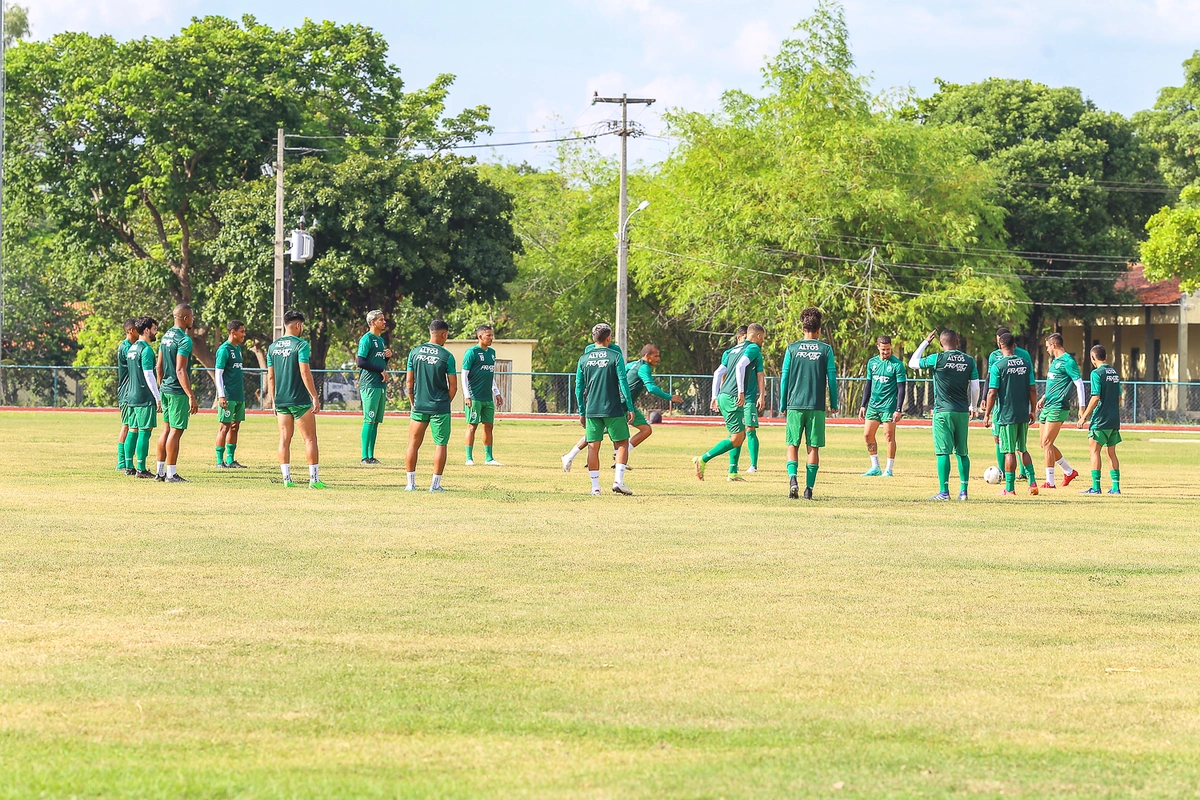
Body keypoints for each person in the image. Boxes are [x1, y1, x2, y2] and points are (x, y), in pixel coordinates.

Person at [910, 329, 979, 501]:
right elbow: (976, 387)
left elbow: (913, 363)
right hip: (962, 412)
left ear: (941, 343)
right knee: (962, 452)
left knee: (943, 452)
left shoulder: (937, 358)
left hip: (943, 412)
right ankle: (963, 491)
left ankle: (944, 492)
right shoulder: (969, 360)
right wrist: (974, 406)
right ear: (958, 342)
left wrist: (925, 342)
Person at [694, 324, 766, 483]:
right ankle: (703, 459)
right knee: (736, 438)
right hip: (734, 397)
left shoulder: (732, 351)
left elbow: (718, 372)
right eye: (764, 338)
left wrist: (714, 396)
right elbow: (741, 366)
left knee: (738, 434)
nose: (763, 341)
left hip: (724, 396)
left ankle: (732, 472)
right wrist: (741, 391)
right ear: (758, 336)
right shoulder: (753, 348)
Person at [779, 310, 837, 500]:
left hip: (794, 404)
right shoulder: (826, 350)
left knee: (792, 445)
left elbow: (784, 378)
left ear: (803, 328)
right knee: (813, 448)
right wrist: (834, 402)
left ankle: (793, 479)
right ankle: (808, 489)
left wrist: (782, 403)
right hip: (816, 405)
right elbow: (832, 379)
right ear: (819, 330)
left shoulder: (792, 349)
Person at [575, 323, 636, 495]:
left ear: (593, 338)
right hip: (613, 407)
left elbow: (579, 388)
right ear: (608, 338)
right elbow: (623, 382)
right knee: (623, 443)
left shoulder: (583, 359)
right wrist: (630, 406)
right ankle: (618, 481)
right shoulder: (615, 355)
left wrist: (581, 411)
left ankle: (595, 488)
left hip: (592, 409)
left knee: (593, 447)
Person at [267, 310, 325, 488]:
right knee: (310, 439)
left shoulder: (272, 347)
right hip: (299, 399)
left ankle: (287, 480)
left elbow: (270, 377)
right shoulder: (301, 345)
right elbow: (304, 371)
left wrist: (273, 401)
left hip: (282, 400)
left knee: (284, 439)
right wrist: (314, 396)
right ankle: (314, 480)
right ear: (298, 325)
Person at [983, 332, 1039, 496]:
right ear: (1014, 345)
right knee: (1023, 449)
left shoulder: (998, 366)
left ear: (1000, 345)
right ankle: (1033, 483)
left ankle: (1010, 488)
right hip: (1023, 413)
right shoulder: (1026, 364)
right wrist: (1033, 410)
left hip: (1007, 415)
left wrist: (987, 414)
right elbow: (1033, 389)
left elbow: (992, 392)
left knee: (1009, 451)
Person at [405, 319, 458, 491]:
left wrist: (414, 402)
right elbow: (453, 386)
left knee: (413, 443)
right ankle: (435, 486)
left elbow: (409, 382)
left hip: (419, 405)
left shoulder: (415, 352)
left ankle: (410, 484)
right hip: (439, 407)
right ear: (444, 334)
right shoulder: (447, 356)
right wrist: (443, 403)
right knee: (440, 444)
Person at [561, 339, 624, 472]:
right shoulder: (614, 352)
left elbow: (580, 384)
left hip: (594, 402)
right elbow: (621, 379)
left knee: (596, 437)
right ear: (608, 336)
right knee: (615, 437)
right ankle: (618, 464)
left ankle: (572, 457)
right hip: (611, 402)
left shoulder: (592, 352)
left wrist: (582, 410)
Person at [154, 304, 198, 483]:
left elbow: (159, 366)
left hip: (165, 388)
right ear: (185, 318)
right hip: (177, 391)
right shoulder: (184, 340)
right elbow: (181, 370)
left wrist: (161, 386)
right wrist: (190, 395)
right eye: (192, 317)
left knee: (166, 429)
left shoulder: (165, 336)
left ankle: (160, 471)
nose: (193, 320)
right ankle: (171, 474)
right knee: (176, 431)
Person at [1035, 332, 1084, 488]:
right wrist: (1044, 397)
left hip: (1058, 407)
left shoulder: (1068, 361)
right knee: (1044, 444)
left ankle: (1050, 482)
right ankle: (1069, 472)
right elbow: (1055, 384)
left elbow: (1079, 384)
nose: (1047, 349)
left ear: (1054, 345)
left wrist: (1082, 408)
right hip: (1048, 405)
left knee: (1048, 443)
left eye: (1048, 346)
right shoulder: (1055, 361)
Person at [859, 335, 907, 477]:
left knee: (888, 436)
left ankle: (889, 469)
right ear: (878, 347)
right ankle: (875, 467)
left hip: (889, 407)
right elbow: (868, 385)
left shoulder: (897, 365)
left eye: (888, 349)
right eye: (883, 350)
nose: (885, 352)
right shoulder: (872, 363)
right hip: (873, 406)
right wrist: (863, 405)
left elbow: (901, 388)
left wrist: (898, 409)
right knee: (867, 435)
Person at [1077, 344, 1122, 495]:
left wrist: (1084, 417)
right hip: (1114, 419)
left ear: (1092, 358)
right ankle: (1115, 488)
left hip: (1101, 420)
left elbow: (1096, 396)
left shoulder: (1097, 373)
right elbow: (1119, 398)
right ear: (1106, 356)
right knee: (1111, 453)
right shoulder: (1114, 373)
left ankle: (1096, 487)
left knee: (1094, 451)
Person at [624, 344, 683, 457]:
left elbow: (620, 373)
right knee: (599, 433)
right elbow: (651, 388)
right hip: (622, 405)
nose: (658, 359)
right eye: (656, 356)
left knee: (646, 430)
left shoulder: (633, 364)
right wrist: (670, 397)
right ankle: (618, 458)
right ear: (647, 356)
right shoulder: (644, 367)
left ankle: (621, 455)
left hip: (627, 404)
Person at [124, 317, 161, 478]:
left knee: (133, 430)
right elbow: (148, 375)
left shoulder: (131, 348)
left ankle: (128, 466)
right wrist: (157, 397)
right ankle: (141, 468)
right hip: (143, 396)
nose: (156, 332)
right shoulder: (146, 350)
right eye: (154, 329)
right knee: (145, 432)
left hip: (130, 396)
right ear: (146, 330)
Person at [462, 324, 505, 466]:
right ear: (480, 336)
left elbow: (490, 374)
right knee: (472, 426)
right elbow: (464, 375)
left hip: (488, 398)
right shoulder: (472, 353)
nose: (491, 338)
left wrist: (497, 392)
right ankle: (469, 458)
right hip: (474, 397)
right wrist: (467, 395)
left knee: (488, 426)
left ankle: (489, 458)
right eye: (488, 335)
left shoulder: (492, 353)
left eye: (492, 335)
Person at [357, 310, 392, 465]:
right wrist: (380, 370)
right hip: (369, 384)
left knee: (375, 421)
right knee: (369, 419)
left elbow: (379, 363)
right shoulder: (367, 339)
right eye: (381, 320)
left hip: (379, 384)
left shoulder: (381, 340)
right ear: (372, 322)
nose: (384, 322)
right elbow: (361, 362)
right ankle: (364, 457)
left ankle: (371, 456)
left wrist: (387, 358)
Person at [214, 320, 248, 469]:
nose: (244, 334)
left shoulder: (238, 349)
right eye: (242, 331)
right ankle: (219, 461)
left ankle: (230, 459)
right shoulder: (224, 350)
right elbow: (218, 373)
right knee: (224, 427)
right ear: (233, 332)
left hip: (238, 395)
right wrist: (221, 395)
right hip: (227, 396)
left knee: (235, 426)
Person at [116, 318, 138, 473]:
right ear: (130, 330)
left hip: (131, 392)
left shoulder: (131, 346)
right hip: (126, 392)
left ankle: (126, 460)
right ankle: (121, 461)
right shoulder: (126, 347)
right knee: (126, 425)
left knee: (130, 426)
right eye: (138, 329)